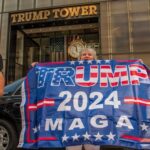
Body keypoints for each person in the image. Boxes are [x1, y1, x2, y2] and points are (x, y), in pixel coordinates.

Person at [66, 48, 100, 150]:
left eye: (89, 54)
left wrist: (135, 65)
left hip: (94, 114)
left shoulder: (102, 70)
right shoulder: (71, 70)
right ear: (79, 58)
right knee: (73, 146)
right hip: (74, 114)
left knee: (92, 146)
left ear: (94, 58)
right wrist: (38, 66)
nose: (86, 56)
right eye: (83, 54)